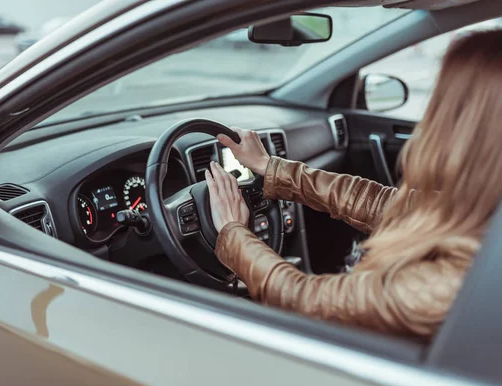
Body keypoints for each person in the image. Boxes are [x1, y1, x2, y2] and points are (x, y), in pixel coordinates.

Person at [205, 30, 502, 342]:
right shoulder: (485, 213)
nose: (427, 121)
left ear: (470, 130)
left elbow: (305, 300)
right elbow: (382, 203)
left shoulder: (450, 282)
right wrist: (271, 168)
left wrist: (233, 232)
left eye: (440, 104)